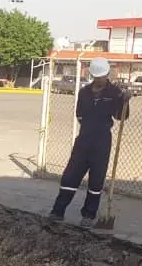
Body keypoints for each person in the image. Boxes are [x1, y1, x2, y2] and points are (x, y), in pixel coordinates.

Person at [48, 57, 129, 227]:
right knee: (70, 176)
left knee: (96, 180)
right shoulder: (84, 92)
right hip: (83, 140)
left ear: (107, 74)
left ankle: (88, 215)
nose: (101, 79)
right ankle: (58, 211)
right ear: (93, 75)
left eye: (103, 76)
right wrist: (88, 127)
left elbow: (121, 116)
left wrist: (125, 101)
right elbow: (79, 114)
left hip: (102, 141)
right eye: (98, 76)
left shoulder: (115, 93)